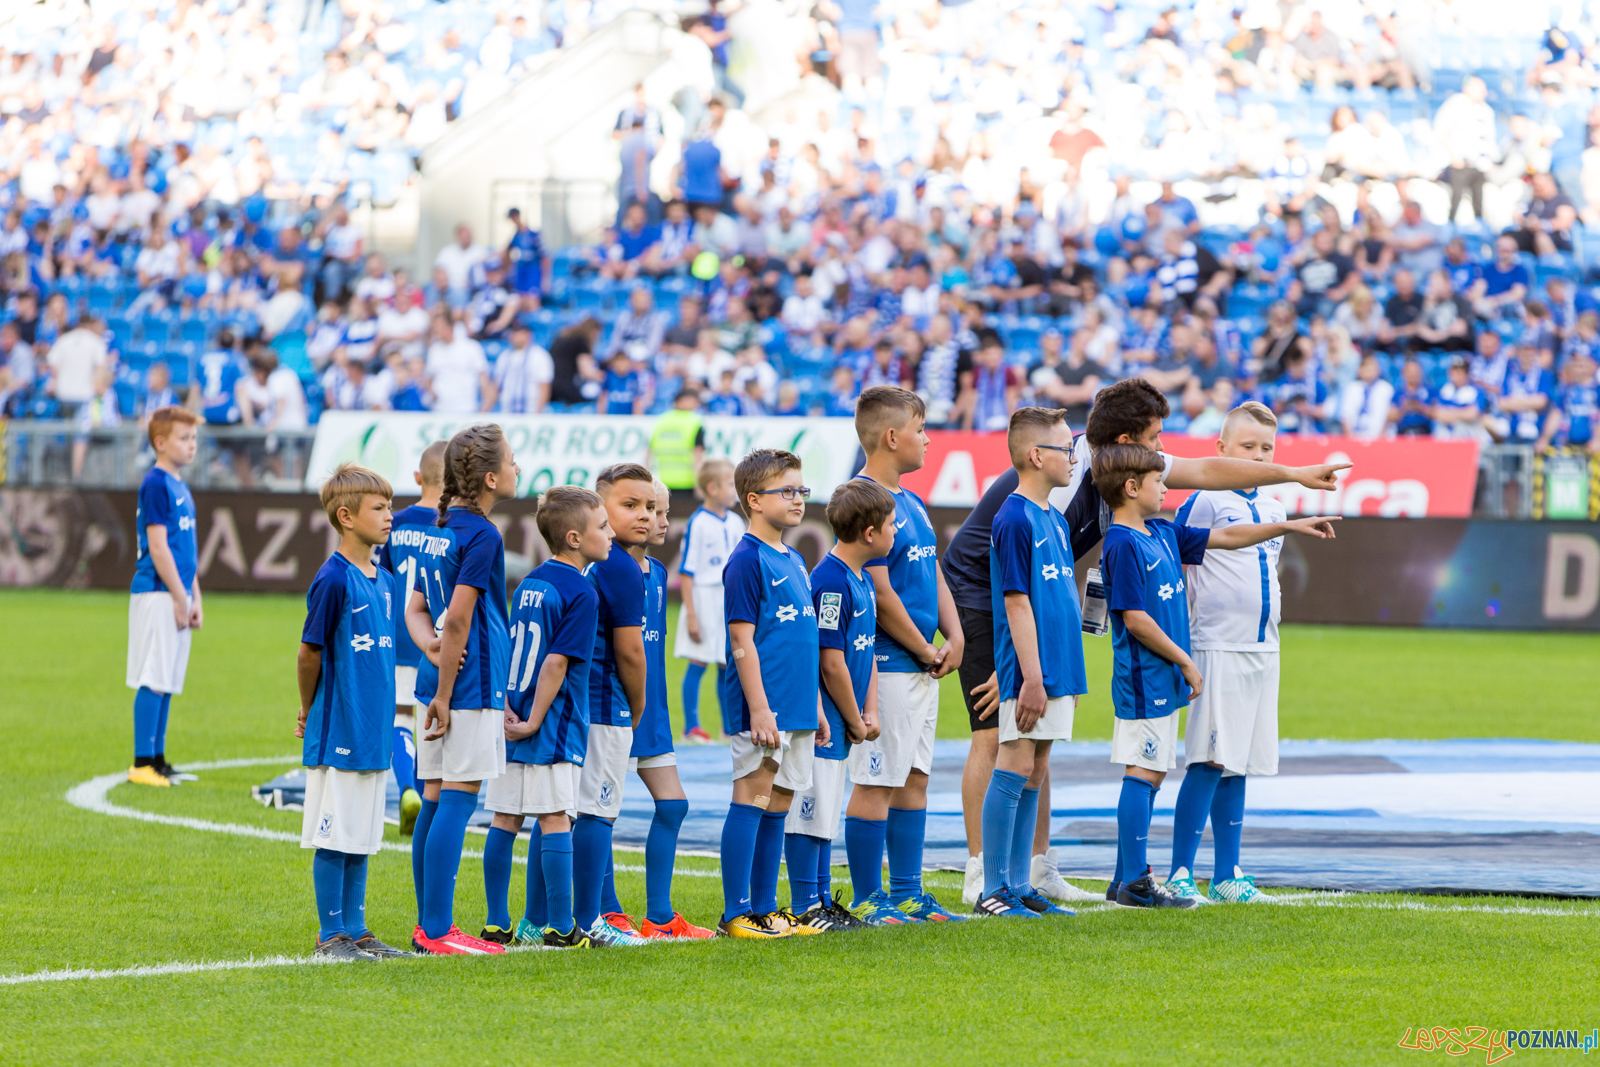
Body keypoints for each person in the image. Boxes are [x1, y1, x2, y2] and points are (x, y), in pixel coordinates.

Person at [938, 378, 1347, 907]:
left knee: (1036, 745)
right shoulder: (1059, 481)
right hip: (982, 591)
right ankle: (981, 872)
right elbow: (1020, 578)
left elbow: (1209, 469)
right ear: (1128, 438)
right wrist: (1012, 658)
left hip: (1034, 598)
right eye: (1155, 437)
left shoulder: (1119, 467)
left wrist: (1293, 474)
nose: (1162, 450)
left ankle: (1034, 871)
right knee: (996, 734)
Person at [1093, 443, 1338, 908]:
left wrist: (1286, 525)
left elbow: (1227, 538)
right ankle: (1133, 883)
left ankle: (1126, 877)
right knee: (1142, 771)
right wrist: (1185, 660)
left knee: (1153, 772)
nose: (1166, 487)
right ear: (1131, 488)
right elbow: (1134, 617)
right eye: (1158, 481)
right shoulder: (1123, 543)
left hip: (1162, 676)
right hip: (1144, 676)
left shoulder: (1161, 533)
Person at [844, 386, 967, 925]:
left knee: (914, 778)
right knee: (877, 779)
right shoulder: (863, 502)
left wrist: (955, 633)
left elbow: (930, 571)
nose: (928, 439)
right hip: (889, 665)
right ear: (892, 437)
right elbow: (881, 592)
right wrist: (923, 647)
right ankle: (870, 897)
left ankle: (909, 892)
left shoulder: (911, 501)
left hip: (922, 664)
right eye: (921, 429)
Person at [1164, 402, 1294, 905]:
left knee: (1237, 762)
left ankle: (1227, 874)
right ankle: (1180, 871)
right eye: (1247, 447)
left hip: (1263, 646)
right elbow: (1181, 572)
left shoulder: (1276, 507)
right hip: (1216, 644)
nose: (1257, 457)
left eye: (1266, 449)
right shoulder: (1203, 502)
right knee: (1209, 758)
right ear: (1221, 450)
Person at [482, 485, 610, 951]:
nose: (611, 533)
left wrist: (512, 707)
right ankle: (560, 927)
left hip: (512, 711)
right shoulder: (582, 590)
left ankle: (498, 923)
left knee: (506, 818)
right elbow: (556, 662)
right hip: (549, 720)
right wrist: (536, 718)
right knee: (556, 817)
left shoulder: (533, 580)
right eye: (602, 527)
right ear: (575, 538)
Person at [405, 424, 517, 956]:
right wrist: (447, 693)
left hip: (438, 678)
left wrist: (430, 656)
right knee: (458, 796)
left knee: (433, 796)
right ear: (491, 478)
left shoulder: (437, 526)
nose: (519, 470)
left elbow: (417, 610)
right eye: (513, 463)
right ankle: (438, 929)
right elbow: (460, 621)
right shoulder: (482, 534)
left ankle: (428, 923)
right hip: (468, 685)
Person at [295, 463, 411, 961]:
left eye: (389, 506)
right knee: (335, 830)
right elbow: (309, 653)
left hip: (372, 725)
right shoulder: (332, 579)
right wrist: (308, 708)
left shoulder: (382, 578)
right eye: (379, 508)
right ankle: (330, 935)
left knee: (363, 830)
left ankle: (359, 929)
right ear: (346, 517)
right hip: (340, 722)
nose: (390, 516)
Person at [973, 407, 1084, 919]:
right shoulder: (1014, 517)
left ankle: (1018, 883)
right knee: (1014, 761)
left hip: (1058, 665)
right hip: (1031, 671)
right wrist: (1031, 677)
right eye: (1066, 449)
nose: (1074, 458)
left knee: (1037, 765)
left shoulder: (1054, 519)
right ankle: (994, 887)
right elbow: (1016, 602)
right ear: (1036, 456)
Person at [716, 448, 825, 939]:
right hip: (764, 707)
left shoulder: (797, 559)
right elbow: (742, 639)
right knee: (753, 795)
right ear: (755, 500)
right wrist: (760, 707)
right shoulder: (745, 560)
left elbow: (804, 643)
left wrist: (816, 706)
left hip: (798, 706)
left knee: (779, 801)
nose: (799, 499)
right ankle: (736, 912)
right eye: (788, 491)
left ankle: (764, 906)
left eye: (802, 490)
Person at [611, 480, 714, 939]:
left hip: (651, 714)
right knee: (592, 814)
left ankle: (658, 916)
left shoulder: (653, 572)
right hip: (611, 710)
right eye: (651, 510)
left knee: (673, 805)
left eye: (661, 511)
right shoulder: (605, 570)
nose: (661, 521)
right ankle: (606, 909)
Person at [788, 480, 892, 931]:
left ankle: (823, 899)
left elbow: (863, 654)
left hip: (848, 718)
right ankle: (806, 903)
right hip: (824, 722)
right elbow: (829, 661)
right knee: (810, 810)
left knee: (828, 808)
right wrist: (852, 718)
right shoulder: (829, 582)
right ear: (869, 533)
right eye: (890, 526)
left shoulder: (864, 581)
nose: (895, 534)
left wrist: (869, 712)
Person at [571, 463, 655, 948]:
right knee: (597, 813)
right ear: (601, 507)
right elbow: (630, 650)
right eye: (630, 506)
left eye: (648, 506)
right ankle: (591, 920)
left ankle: (549, 916)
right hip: (606, 703)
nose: (643, 515)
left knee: (562, 811)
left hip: (578, 703)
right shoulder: (620, 565)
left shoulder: (586, 558)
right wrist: (637, 706)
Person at [374, 441, 450, 837]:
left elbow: (383, 580)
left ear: (417, 478)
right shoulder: (451, 525)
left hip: (398, 635)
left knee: (400, 718)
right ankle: (425, 799)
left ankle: (407, 789)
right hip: (436, 639)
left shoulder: (395, 523)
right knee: (429, 721)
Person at [126, 407, 203, 788]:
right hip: (157, 591)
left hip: (175, 591)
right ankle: (142, 762)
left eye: (194, 438)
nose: (192, 445)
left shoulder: (179, 485)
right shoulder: (155, 483)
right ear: (160, 442)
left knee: (168, 677)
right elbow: (158, 548)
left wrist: (193, 595)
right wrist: (178, 595)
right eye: (184, 438)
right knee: (153, 675)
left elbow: (186, 549)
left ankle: (158, 760)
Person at [674, 458, 743, 743]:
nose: (734, 491)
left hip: (727, 600)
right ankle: (691, 726)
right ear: (712, 488)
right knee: (698, 661)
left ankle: (729, 728)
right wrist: (692, 614)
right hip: (703, 598)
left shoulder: (738, 522)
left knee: (727, 663)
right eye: (730, 485)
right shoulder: (699, 523)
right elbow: (687, 571)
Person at [649, 388, 706, 492]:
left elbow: (649, 451)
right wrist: (699, 486)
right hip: (687, 483)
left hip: (662, 482)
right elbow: (698, 456)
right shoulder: (695, 421)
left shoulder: (661, 420)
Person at [493, 323, 554, 415]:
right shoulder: (504, 356)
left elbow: (544, 387)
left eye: (518, 333)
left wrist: (538, 413)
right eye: (512, 333)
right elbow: (496, 386)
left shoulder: (539, 356)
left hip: (530, 411)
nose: (513, 336)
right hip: (506, 412)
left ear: (528, 335)